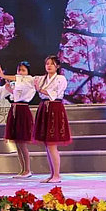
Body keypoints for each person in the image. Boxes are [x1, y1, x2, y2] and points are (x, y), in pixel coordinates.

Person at [31, 55, 71, 183]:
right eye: (47, 63)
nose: (49, 66)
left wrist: (40, 89)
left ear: (57, 66)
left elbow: (54, 93)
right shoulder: (42, 78)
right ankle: (52, 174)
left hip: (55, 108)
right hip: (44, 107)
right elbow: (24, 80)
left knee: (52, 144)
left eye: (52, 64)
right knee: (47, 144)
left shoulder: (61, 79)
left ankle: (57, 175)